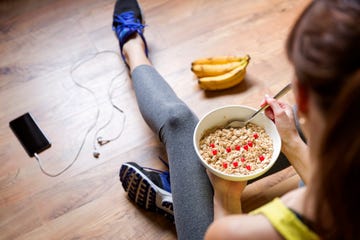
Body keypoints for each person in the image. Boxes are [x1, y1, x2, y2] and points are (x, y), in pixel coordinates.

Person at [112, 0, 360, 239]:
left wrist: (224, 194)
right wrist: (292, 141)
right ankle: (185, 189)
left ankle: (132, 46)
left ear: (302, 96)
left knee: (179, 122)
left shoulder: (248, 233)